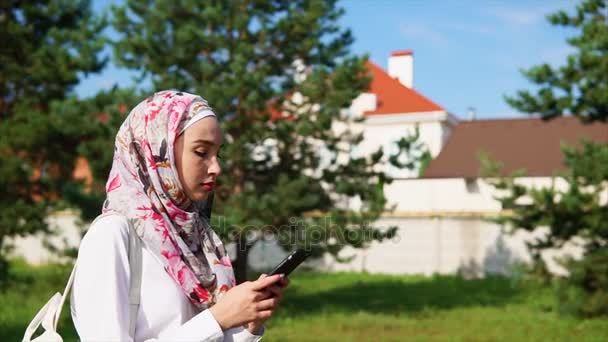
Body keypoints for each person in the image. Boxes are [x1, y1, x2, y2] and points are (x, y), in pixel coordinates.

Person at [70, 90, 289, 341]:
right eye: (201, 152)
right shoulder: (112, 236)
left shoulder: (198, 237)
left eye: (218, 154)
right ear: (155, 153)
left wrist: (248, 325)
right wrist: (218, 318)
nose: (216, 167)